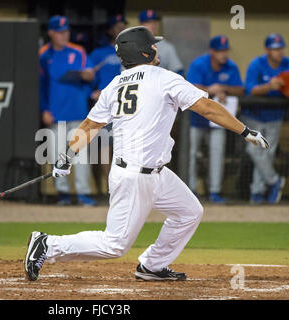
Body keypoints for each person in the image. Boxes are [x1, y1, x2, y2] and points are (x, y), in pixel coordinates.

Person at [25, 26, 269, 282]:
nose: (156, 47)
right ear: (143, 51)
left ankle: (152, 265)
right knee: (115, 245)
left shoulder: (115, 84)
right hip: (134, 176)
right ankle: (48, 244)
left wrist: (67, 155)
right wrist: (244, 131)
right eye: (153, 45)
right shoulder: (163, 78)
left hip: (157, 173)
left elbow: (89, 126)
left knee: (189, 212)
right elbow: (206, 107)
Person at [39, 15, 97, 206]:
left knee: (80, 157)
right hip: (56, 113)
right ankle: (63, 194)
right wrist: (44, 109)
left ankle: (83, 194)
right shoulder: (44, 55)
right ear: (51, 33)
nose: (64, 35)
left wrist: (88, 76)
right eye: (60, 32)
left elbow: (90, 79)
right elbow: (40, 85)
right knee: (57, 156)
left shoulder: (78, 51)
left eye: (66, 32)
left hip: (78, 112)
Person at [187, 36, 244, 203]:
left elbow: (241, 89)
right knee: (191, 155)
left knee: (217, 154)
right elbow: (188, 86)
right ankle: (191, 190)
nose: (223, 54)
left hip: (218, 122)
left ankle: (214, 191)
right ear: (212, 51)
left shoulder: (231, 66)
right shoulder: (199, 64)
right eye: (220, 51)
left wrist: (223, 88)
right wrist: (210, 90)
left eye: (225, 50)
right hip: (196, 120)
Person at [242, 33, 288, 204]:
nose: (279, 52)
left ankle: (257, 191)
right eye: (275, 49)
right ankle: (274, 180)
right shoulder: (257, 64)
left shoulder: (286, 64)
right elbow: (250, 89)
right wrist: (269, 86)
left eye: (281, 48)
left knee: (267, 155)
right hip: (254, 116)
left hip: (275, 116)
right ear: (268, 50)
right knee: (254, 150)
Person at [89, 14, 127, 192]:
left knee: (124, 147)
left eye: (123, 25)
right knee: (104, 146)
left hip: (125, 106)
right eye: (117, 26)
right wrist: (94, 91)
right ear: (110, 30)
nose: (120, 28)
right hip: (105, 106)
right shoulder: (99, 53)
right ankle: (108, 187)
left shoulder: (129, 51)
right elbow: (88, 80)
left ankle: (120, 186)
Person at [139, 9, 183, 75]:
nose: (152, 25)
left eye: (154, 22)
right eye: (148, 22)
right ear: (140, 25)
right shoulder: (133, 46)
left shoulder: (167, 47)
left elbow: (178, 71)